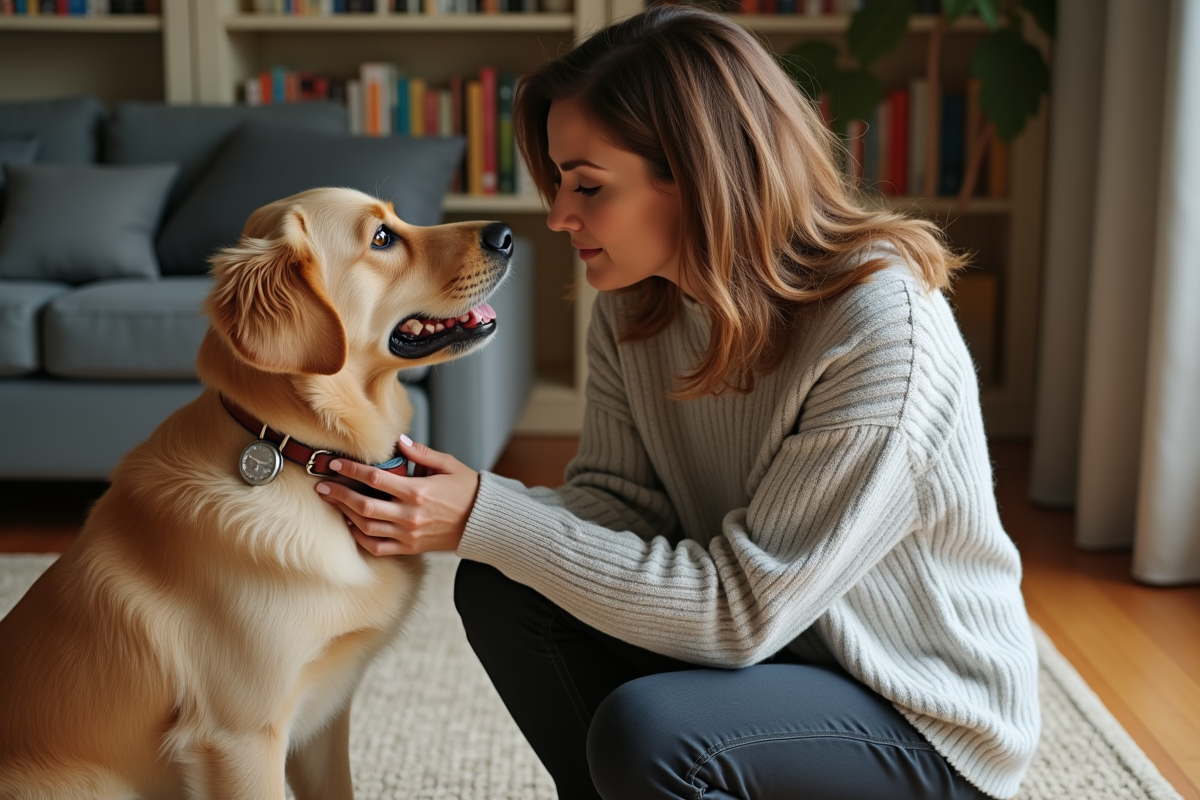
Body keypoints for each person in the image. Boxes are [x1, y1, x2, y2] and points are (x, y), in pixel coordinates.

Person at [313, 5, 1041, 799]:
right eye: (559, 182)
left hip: (918, 716)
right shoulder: (637, 301)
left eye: (589, 186)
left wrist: (485, 514)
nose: (559, 216)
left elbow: (742, 615)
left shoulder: (882, 329)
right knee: (504, 583)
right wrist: (465, 505)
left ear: (701, 176)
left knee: (655, 735)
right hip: (779, 660)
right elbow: (621, 503)